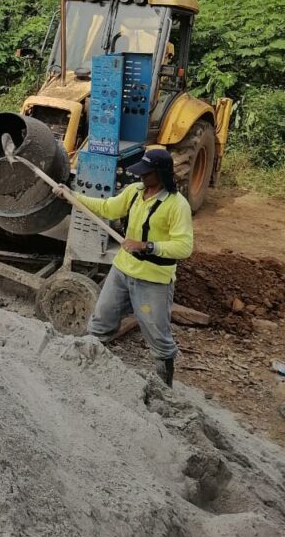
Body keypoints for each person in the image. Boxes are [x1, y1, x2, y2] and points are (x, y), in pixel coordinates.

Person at [61, 148, 193, 387]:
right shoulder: (134, 192)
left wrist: (147, 245)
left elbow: (184, 247)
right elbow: (108, 208)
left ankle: (165, 387)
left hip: (153, 279)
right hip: (122, 271)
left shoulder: (176, 205)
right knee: (101, 321)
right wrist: (73, 195)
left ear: (160, 174)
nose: (140, 177)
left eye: (146, 173)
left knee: (158, 336)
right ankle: (85, 373)